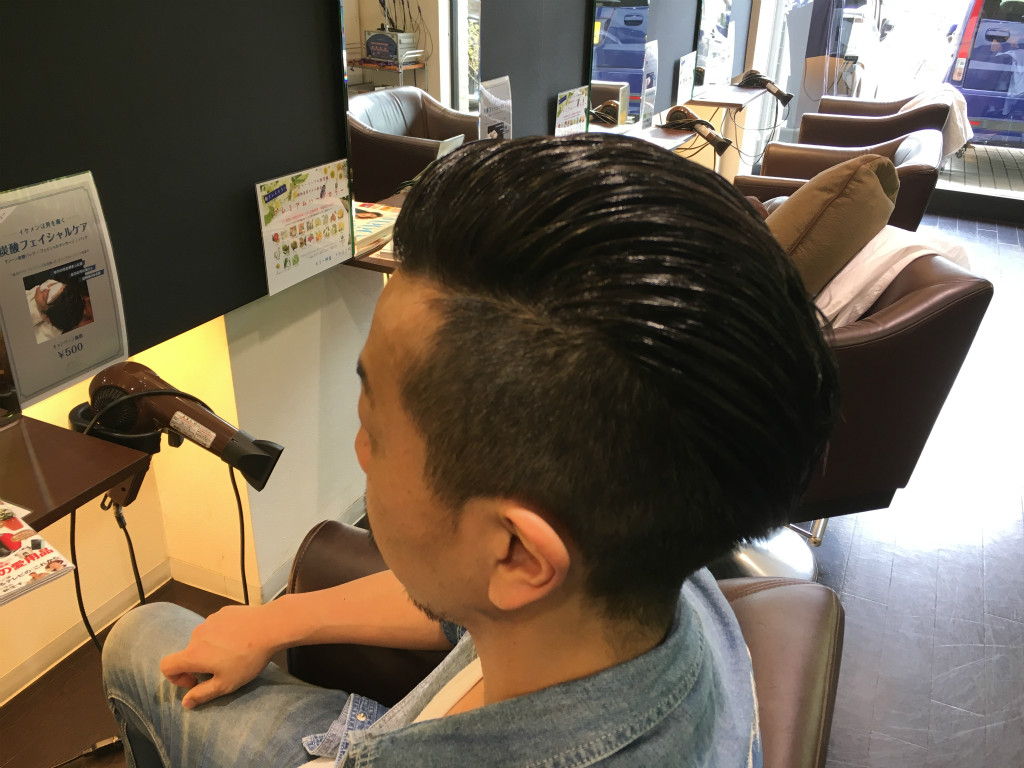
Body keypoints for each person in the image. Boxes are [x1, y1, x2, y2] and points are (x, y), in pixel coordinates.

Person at [102, 134, 838, 767]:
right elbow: (468, 600)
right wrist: (274, 620)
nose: (359, 450)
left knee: (139, 638)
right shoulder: (656, 558)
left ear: (516, 552)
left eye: (374, 426)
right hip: (409, 725)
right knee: (152, 634)